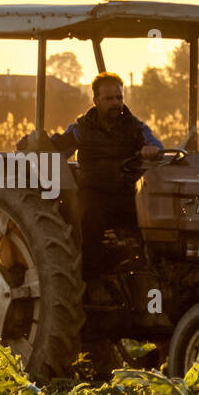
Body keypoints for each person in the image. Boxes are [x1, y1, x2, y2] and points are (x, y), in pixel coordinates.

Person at [44, 72, 163, 279]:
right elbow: (57, 150)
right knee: (90, 220)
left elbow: (157, 148)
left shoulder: (135, 128)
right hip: (94, 194)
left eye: (119, 98)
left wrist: (151, 150)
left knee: (155, 223)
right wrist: (41, 144)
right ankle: (92, 281)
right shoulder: (82, 129)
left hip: (127, 193)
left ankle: (149, 273)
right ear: (96, 100)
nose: (115, 103)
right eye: (109, 99)